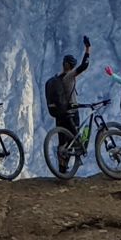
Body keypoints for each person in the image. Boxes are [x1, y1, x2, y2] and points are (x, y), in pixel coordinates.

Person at [43, 36, 91, 164]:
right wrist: (87, 48)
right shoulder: (69, 76)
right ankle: (79, 155)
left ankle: (62, 169)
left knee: (62, 142)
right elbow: (84, 65)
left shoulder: (57, 78)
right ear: (71, 65)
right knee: (75, 136)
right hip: (71, 110)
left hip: (59, 112)